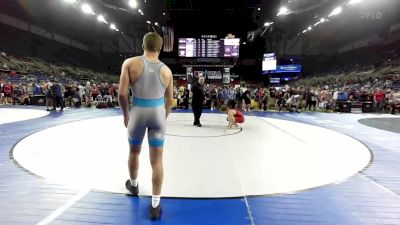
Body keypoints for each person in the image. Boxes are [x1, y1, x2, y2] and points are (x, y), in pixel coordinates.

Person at [118, 32, 173, 220]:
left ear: (142, 46)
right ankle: (155, 205)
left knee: (134, 152)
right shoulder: (167, 70)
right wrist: (162, 119)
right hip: (157, 114)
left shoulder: (130, 64)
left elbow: (123, 95)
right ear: (159, 49)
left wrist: (127, 116)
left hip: (138, 113)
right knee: (157, 161)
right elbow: (170, 101)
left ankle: (133, 186)